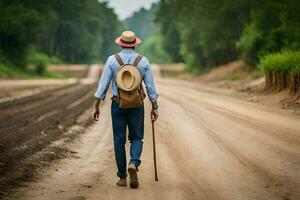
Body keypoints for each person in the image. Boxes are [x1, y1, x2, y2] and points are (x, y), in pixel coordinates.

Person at [92, 31, 159, 189]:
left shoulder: (111, 60)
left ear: (120, 43)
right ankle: (134, 163)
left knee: (118, 141)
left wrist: (96, 106)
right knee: (137, 137)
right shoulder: (143, 62)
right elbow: (150, 88)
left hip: (118, 104)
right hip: (136, 105)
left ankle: (122, 177)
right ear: (135, 43)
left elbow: (103, 86)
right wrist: (154, 107)